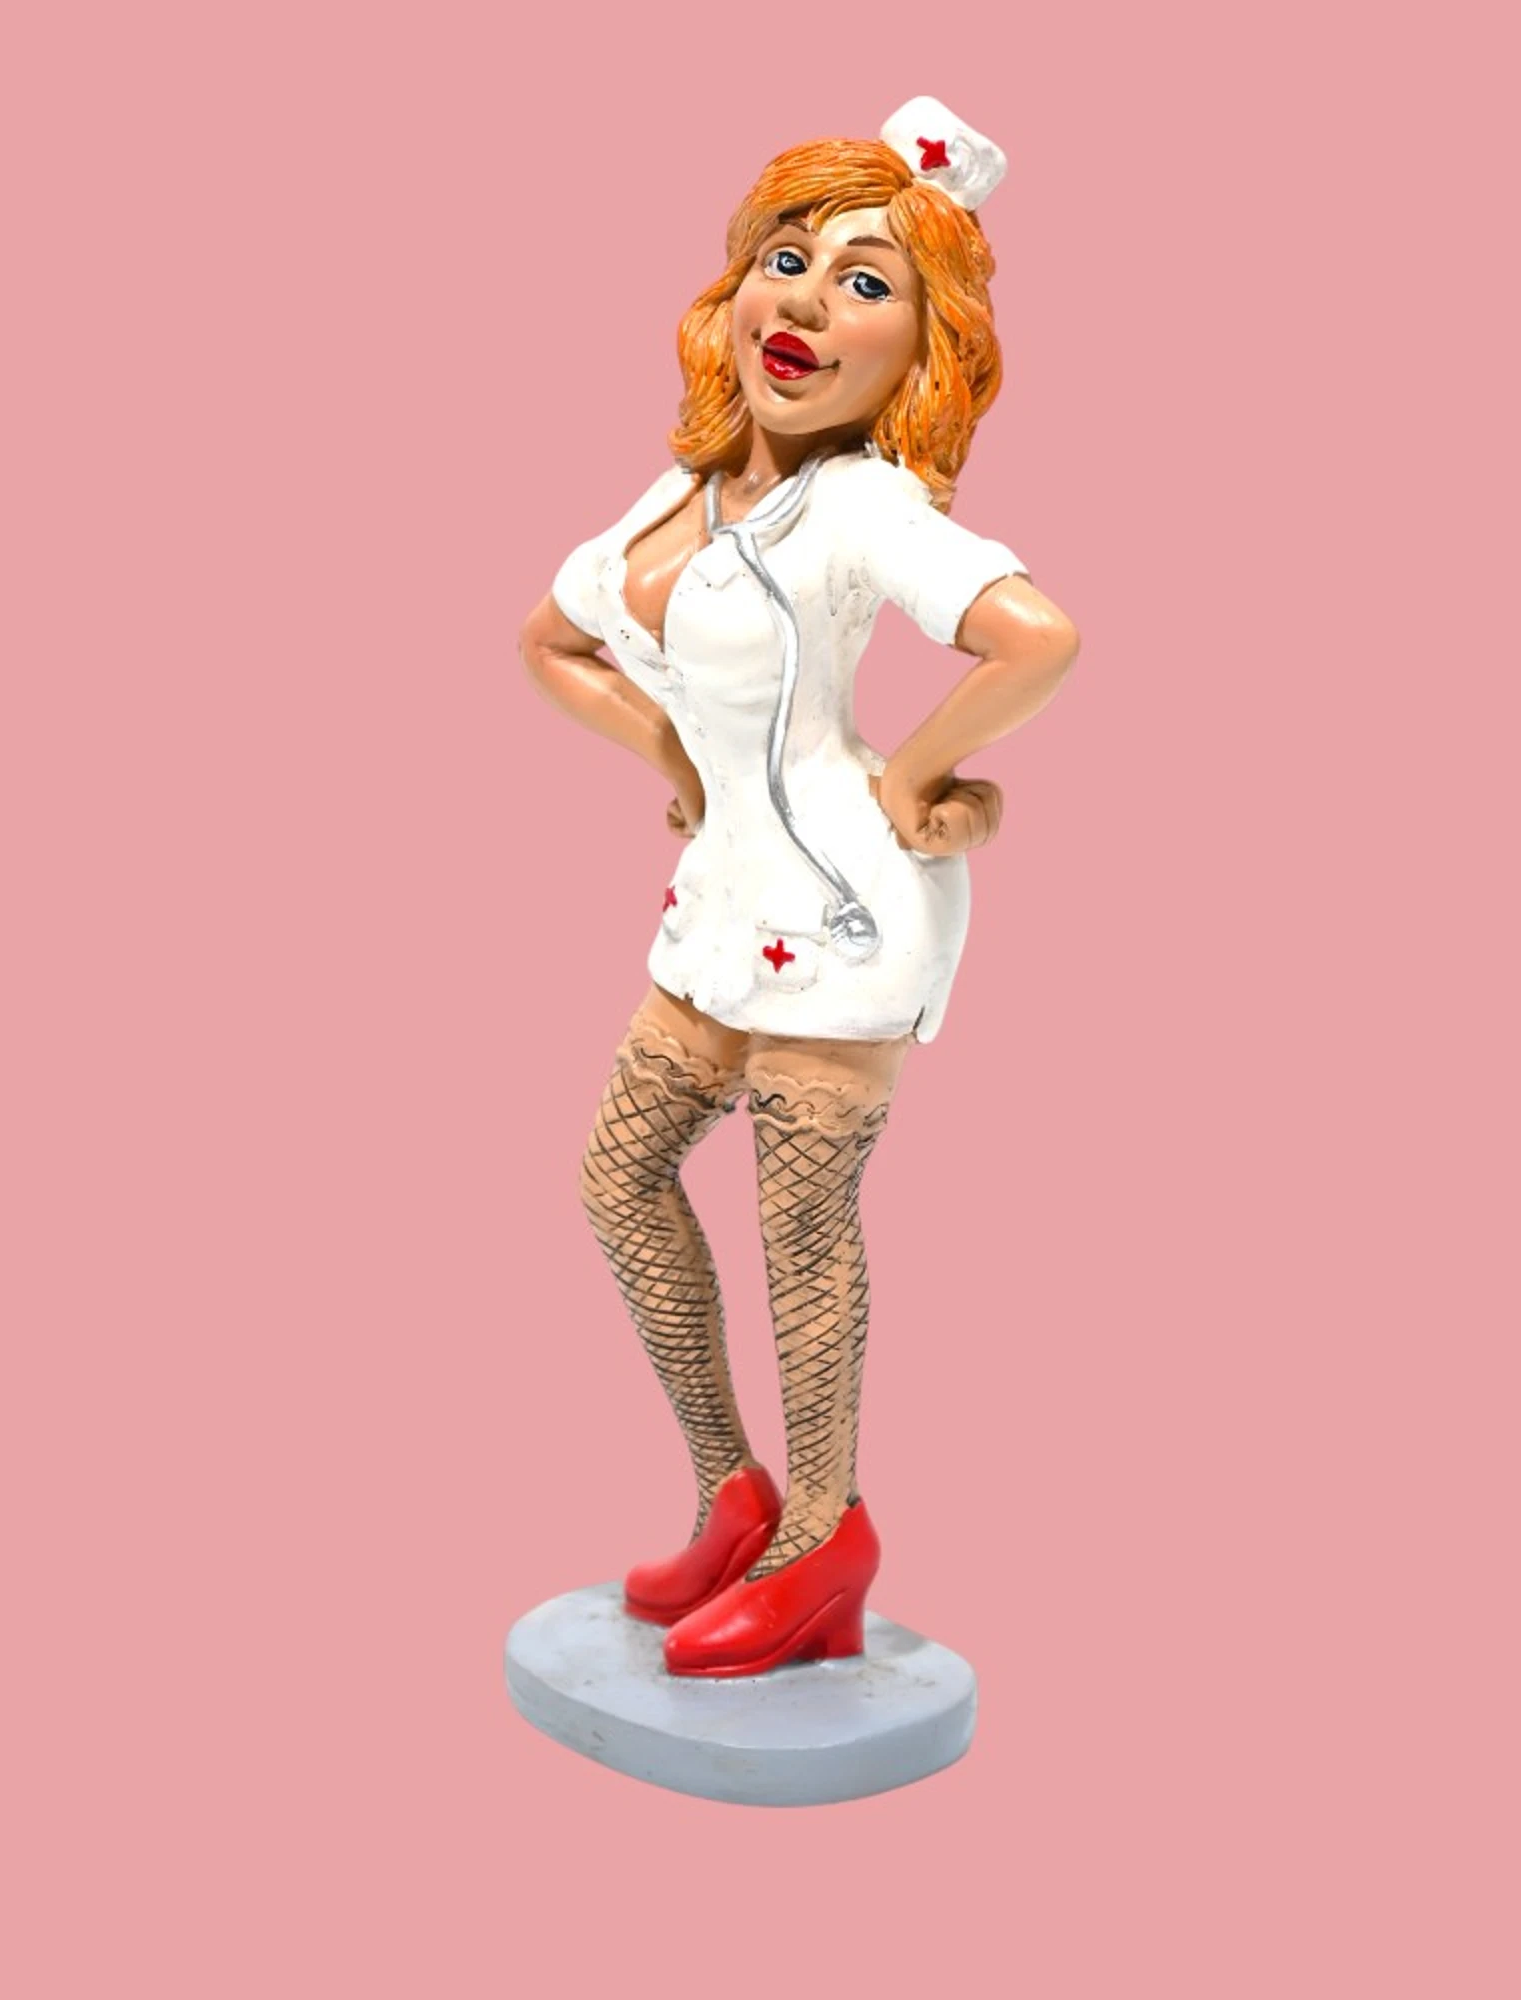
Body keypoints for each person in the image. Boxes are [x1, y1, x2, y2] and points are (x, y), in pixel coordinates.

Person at [520, 99, 1077, 1677]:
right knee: (621, 1183)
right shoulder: (683, 488)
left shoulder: (861, 506)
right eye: (790, 262)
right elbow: (552, 641)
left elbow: (1035, 639)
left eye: (867, 284)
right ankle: (733, 1492)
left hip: (840, 913)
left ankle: (826, 1539)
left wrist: (917, 780)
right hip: (720, 900)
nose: (810, 306)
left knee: (800, 1230)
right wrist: (679, 764)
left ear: (921, 356)